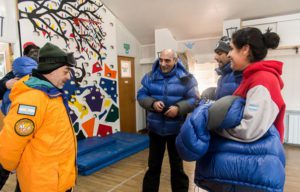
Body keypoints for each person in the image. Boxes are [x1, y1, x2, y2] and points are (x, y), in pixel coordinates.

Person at [176, 27, 286, 191]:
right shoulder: (252, 77)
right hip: (245, 164)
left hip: (253, 167)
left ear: (245, 50)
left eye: (233, 49)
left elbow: (250, 129)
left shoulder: (263, 80)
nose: (229, 54)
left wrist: (213, 128)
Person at [0, 42, 77, 192]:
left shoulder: (53, 95)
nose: (69, 77)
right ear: (51, 69)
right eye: (66, 71)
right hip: (42, 185)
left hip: (59, 182)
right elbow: (10, 146)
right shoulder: (32, 99)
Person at [137, 49, 199, 192]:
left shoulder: (186, 78)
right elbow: (141, 95)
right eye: (161, 60)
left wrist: (179, 108)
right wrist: (152, 103)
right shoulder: (150, 76)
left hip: (176, 130)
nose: (163, 64)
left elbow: (194, 99)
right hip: (155, 130)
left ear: (175, 61)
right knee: (153, 167)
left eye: (167, 60)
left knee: (177, 167)